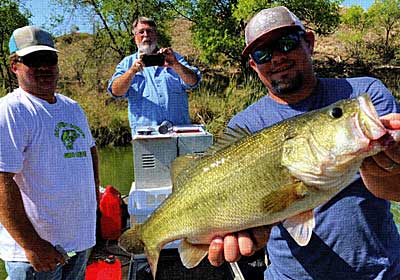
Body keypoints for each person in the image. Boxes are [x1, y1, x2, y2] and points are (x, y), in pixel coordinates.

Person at [207, 6, 400, 279]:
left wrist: (388, 162)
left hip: (380, 273)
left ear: (308, 42)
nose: (277, 58)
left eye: (286, 44)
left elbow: (396, 190)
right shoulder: (244, 127)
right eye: (262, 54)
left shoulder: (363, 95)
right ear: (253, 65)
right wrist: (250, 230)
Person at [0, 26, 99, 280]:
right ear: (14, 66)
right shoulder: (11, 111)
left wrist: (94, 207)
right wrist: (32, 245)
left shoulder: (72, 108)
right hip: (36, 256)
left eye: (49, 59)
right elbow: (2, 182)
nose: (44, 67)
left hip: (78, 245)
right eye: (33, 60)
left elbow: (90, 152)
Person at [107, 17, 201, 134]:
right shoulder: (127, 63)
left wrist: (175, 64)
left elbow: (193, 82)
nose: (146, 35)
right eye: (141, 32)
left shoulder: (173, 57)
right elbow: (115, 91)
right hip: (146, 137)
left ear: (156, 34)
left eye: (149, 31)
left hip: (179, 133)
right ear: (135, 37)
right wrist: (131, 71)